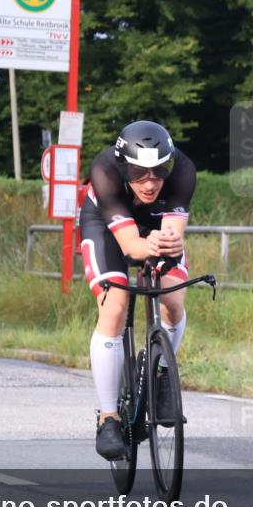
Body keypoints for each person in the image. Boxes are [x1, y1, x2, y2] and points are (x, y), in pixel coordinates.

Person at [78, 120, 195, 460]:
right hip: (106, 224)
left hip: (155, 224)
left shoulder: (184, 171)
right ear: (123, 166)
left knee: (173, 300)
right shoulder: (105, 171)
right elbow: (130, 247)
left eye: (159, 173)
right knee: (115, 304)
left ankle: (159, 371)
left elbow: (173, 232)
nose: (150, 182)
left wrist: (167, 240)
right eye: (139, 173)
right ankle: (108, 416)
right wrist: (148, 245)